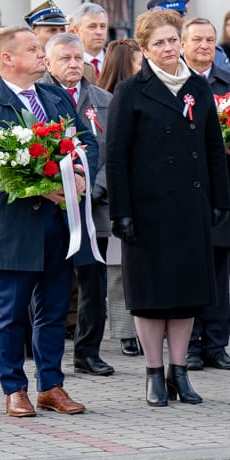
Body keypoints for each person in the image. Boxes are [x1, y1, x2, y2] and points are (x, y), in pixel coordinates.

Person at [0, 26, 99, 416]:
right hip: (11, 228)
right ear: (8, 58)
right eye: (34, 48)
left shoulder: (55, 96)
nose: (43, 54)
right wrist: (40, 186)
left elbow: (86, 141)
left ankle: (51, 386)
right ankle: (14, 389)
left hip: (58, 224)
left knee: (54, 310)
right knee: (11, 314)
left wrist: (79, 175)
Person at [106, 9, 230, 406]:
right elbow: (117, 155)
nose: (167, 49)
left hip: (190, 207)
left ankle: (181, 373)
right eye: (158, 43)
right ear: (144, 49)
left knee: (185, 294)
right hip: (147, 211)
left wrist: (219, 200)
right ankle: (154, 374)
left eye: (172, 41)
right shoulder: (130, 90)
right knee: (150, 295)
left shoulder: (197, 86)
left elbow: (214, 147)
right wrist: (120, 210)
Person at [39, 32, 114, 376]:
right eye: (65, 58)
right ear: (48, 62)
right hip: (48, 206)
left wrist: (92, 190)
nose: (73, 64)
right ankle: (42, 353)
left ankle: (88, 352)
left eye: (77, 58)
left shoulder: (103, 100)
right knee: (46, 285)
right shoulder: (37, 98)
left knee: (93, 281)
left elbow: (111, 153)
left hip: (91, 207)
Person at [180, 17, 230, 372]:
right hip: (182, 193)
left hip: (223, 188)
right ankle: (190, 344)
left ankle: (217, 344)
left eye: (209, 39)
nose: (204, 45)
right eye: (196, 39)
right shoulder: (173, 82)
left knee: (220, 269)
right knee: (190, 269)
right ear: (182, 44)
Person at [96, 38, 142, 357]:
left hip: (146, 195)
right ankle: (125, 332)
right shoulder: (106, 102)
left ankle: (144, 325)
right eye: (139, 64)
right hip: (114, 196)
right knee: (117, 268)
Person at [72, 3, 109, 82]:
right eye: (92, 26)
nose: (99, 32)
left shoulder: (116, 60)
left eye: (103, 26)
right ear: (76, 30)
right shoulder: (71, 64)